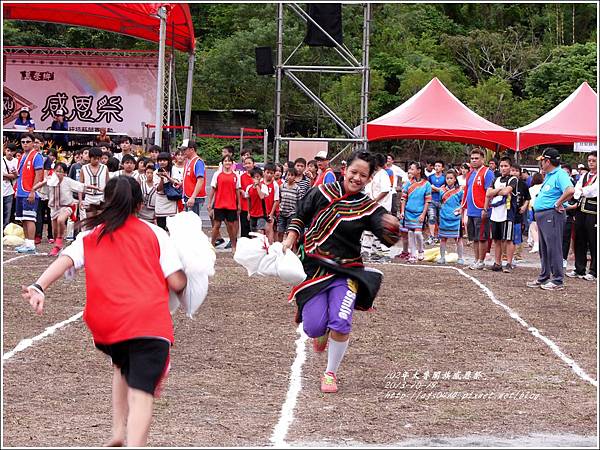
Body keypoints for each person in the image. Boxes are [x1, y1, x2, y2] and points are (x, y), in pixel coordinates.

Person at [21, 175, 187, 446]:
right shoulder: (155, 233)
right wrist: (189, 281)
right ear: (139, 204)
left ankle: (118, 432)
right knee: (142, 391)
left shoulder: (90, 235)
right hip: (147, 321)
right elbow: (177, 282)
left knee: (121, 365)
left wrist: (39, 287)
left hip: (107, 327)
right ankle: (133, 444)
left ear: (107, 201)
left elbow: (65, 260)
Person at [282, 150, 400, 394]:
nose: (357, 178)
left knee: (341, 320)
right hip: (313, 268)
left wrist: (392, 228)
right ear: (345, 170)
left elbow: (386, 231)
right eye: (354, 172)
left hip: (347, 270)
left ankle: (330, 373)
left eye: (363, 176)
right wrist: (291, 236)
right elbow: (300, 215)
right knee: (314, 327)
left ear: (369, 180)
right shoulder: (321, 192)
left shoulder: (367, 207)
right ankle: (320, 333)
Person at [526, 148, 574, 291]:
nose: (541, 164)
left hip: (551, 215)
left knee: (553, 247)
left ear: (547, 161)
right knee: (545, 248)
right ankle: (544, 276)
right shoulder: (550, 175)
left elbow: (570, 190)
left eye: (542, 161)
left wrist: (558, 203)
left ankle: (558, 279)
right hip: (544, 215)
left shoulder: (560, 174)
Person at [463, 148, 495, 270]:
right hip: (471, 210)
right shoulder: (470, 173)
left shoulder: (487, 172)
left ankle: (481, 261)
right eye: (472, 158)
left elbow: (489, 191)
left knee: (482, 237)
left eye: (476, 158)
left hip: (481, 209)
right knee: (474, 238)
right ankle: (476, 260)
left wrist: (485, 208)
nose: (474, 160)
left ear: (482, 159)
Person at [485, 156, 518, 273]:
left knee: (508, 239)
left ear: (510, 167)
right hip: (495, 213)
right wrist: (498, 191)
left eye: (506, 166)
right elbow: (488, 193)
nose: (503, 168)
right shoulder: (496, 179)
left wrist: (496, 191)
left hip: (507, 213)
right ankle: (497, 263)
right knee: (497, 239)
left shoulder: (513, 179)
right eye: (501, 166)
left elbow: (506, 191)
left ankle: (508, 263)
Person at [567, 151, 597, 281]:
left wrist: (581, 191)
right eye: (589, 160)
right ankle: (579, 268)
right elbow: (576, 191)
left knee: (594, 241)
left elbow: (593, 191)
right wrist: (579, 192)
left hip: (593, 211)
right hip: (581, 210)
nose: (591, 163)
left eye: (594, 160)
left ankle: (594, 270)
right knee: (580, 239)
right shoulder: (584, 176)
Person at [14, 133, 44, 253]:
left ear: (33, 143)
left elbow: (39, 175)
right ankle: (27, 243)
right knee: (23, 218)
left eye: (27, 142)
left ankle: (31, 244)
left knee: (30, 218)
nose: (25, 144)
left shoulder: (36, 156)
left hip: (29, 192)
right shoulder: (22, 156)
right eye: (23, 142)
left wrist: (33, 190)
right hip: (21, 192)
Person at [362, 153, 393, 261]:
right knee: (370, 230)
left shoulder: (383, 174)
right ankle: (373, 251)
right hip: (375, 207)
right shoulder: (377, 175)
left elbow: (385, 190)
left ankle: (386, 254)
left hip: (381, 207)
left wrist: (375, 201)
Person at [399, 162, 431, 263]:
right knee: (410, 233)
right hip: (408, 212)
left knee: (417, 233)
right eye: (410, 169)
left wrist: (423, 214)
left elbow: (427, 201)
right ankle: (412, 254)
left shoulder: (426, 184)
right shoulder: (408, 183)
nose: (410, 171)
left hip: (419, 213)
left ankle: (421, 251)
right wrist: (402, 211)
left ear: (419, 171)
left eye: (412, 169)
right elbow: (403, 199)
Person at [208, 155, 240, 251]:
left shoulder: (236, 175)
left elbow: (237, 190)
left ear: (232, 163)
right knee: (216, 225)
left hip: (231, 204)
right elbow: (213, 189)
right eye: (225, 161)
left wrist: (239, 204)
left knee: (231, 225)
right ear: (222, 163)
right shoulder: (217, 174)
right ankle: (212, 245)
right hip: (219, 203)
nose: (227, 163)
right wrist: (210, 203)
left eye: (229, 161)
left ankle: (234, 245)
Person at [437, 170, 464, 265]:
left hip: (456, 218)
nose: (449, 180)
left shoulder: (460, 190)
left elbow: (463, 203)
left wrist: (460, 210)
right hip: (444, 217)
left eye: (451, 178)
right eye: (447, 178)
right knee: (443, 238)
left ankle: (460, 257)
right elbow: (440, 202)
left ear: (455, 179)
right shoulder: (442, 190)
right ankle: (442, 257)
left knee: (458, 239)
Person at [79, 147, 109, 219]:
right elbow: (80, 186)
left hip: (101, 197)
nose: (96, 160)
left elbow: (108, 184)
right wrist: (80, 200)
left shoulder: (105, 168)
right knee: (89, 220)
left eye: (98, 158)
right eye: (94, 158)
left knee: (100, 220)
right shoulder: (84, 168)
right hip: (89, 197)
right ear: (90, 158)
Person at [510, 164, 530, 262]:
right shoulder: (506, 182)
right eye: (512, 170)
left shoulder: (523, 184)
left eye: (516, 171)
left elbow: (527, 198)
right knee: (507, 234)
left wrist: (524, 206)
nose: (514, 173)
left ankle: (517, 254)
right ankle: (505, 254)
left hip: (518, 213)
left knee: (517, 233)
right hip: (507, 213)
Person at [155, 152, 179, 231]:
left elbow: (176, 184)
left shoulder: (173, 169)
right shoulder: (156, 172)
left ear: (168, 161)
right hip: (160, 201)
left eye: (164, 160)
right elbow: (158, 189)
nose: (162, 162)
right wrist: (161, 179)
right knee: (161, 227)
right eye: (160, 160)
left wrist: (167, 176)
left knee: (172, 227)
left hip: (171, 200)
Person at [181, 141, 206, 218]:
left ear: (192, 149)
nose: (183, 152)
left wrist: (193, 197)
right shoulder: (188, 161)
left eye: (184, 150)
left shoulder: (198, 162)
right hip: (188, 196)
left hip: (194, 198)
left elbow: (200, 180)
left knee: (193, 222)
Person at [277, 167, 300, 242]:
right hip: (282, 212)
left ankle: (287, 248)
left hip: (292, 213)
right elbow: (279, 198)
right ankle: (279, 247)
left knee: (288, 232)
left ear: (295, 177)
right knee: (280, 231)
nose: (290, 177)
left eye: (292, 175)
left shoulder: (297, 188)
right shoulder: (282, 186)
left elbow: (299, 201)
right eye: (288, 175)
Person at [426, 160, 446, 244]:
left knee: (441, 219)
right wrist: (438, 189)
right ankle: (432, 236)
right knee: (431, 218)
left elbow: (445, 190)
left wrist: (435, 188)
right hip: (432, 200)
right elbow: (428, 188)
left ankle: (439, 236)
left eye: (439, 166)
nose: (437, 168)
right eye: (436, 166)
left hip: (442, 201)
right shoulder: (430, 177)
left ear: (442, 168)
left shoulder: (445, 177)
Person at [246, 167, 269, 235]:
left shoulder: (264, 187)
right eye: (254, 177)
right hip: (253, 213)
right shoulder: (249, 188)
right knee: (253, 232)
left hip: (262, 213)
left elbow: (262, 196)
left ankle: (261, 244)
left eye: (257, 177)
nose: (255, 179)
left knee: (260, 231)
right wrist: (248, 212)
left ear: (261, 177)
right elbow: (248, 200)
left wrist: (257, 187)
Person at [239, 156, 255, 238]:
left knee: (254, 230)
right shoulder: (242, 177)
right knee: (244, 229)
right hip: (244, 206)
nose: (247, 165)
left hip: (255, 207)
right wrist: (242, 192)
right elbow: (239, 189)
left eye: (249, 163)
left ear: (253, 164)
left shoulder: (257, 176)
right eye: (246, 163)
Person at [3, 143, 18, 229]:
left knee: (7, 213)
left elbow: (16, 175)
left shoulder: (16, 161)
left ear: (14, 152)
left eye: (11, 151)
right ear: (5, 150)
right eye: (8, 150)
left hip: (9, 190)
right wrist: (11, 175)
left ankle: (5, 231)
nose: (9, 153)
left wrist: (6, 175)